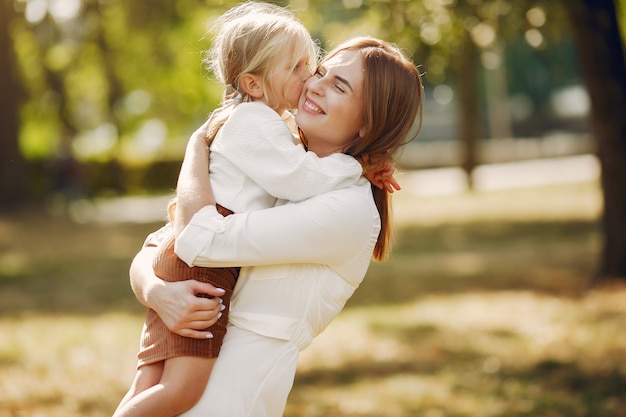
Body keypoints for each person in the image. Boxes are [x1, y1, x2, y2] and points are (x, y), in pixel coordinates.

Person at [129, 36, 424, 416]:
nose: (315, 84)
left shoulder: (347, 209)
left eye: (339, 86)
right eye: (320, 72)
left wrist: (196, 148)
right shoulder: (278, 163)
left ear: (369, 123)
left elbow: (198, 239)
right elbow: (158, 244)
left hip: (232, 394)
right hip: (187, 359)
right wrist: (156, 292)